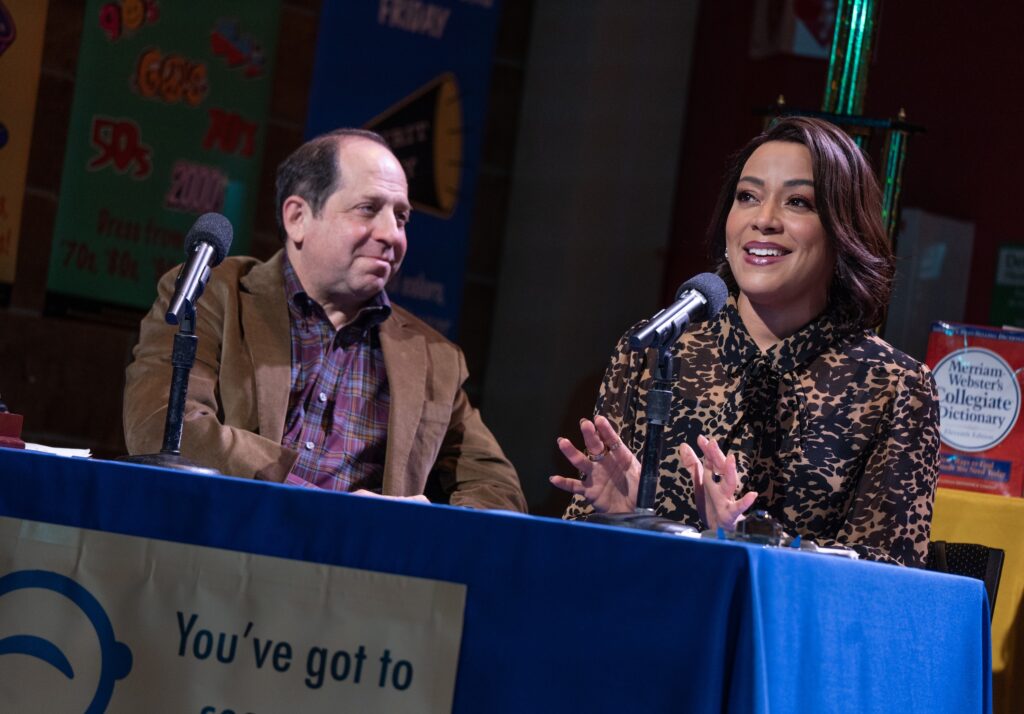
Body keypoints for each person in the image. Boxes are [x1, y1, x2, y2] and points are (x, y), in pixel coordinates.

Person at [550, 116, 939, 567]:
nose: (764, 220)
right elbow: (578, 542)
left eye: (798, 202)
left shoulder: (893, 386)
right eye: (748, 197)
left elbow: (892, 576)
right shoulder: (657, 350)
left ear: (842, 230)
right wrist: (624, 520)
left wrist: (756, 547)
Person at [124, 128, 526, 512]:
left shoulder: (434, 358)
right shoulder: (215, 296)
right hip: (224, 541)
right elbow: (163, 426)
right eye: (368, 209)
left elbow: (499, 490)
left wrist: (422, 522)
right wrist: (319, 505)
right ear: (297, 217)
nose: (392, 235)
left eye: (401, 218)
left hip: (361, 556)